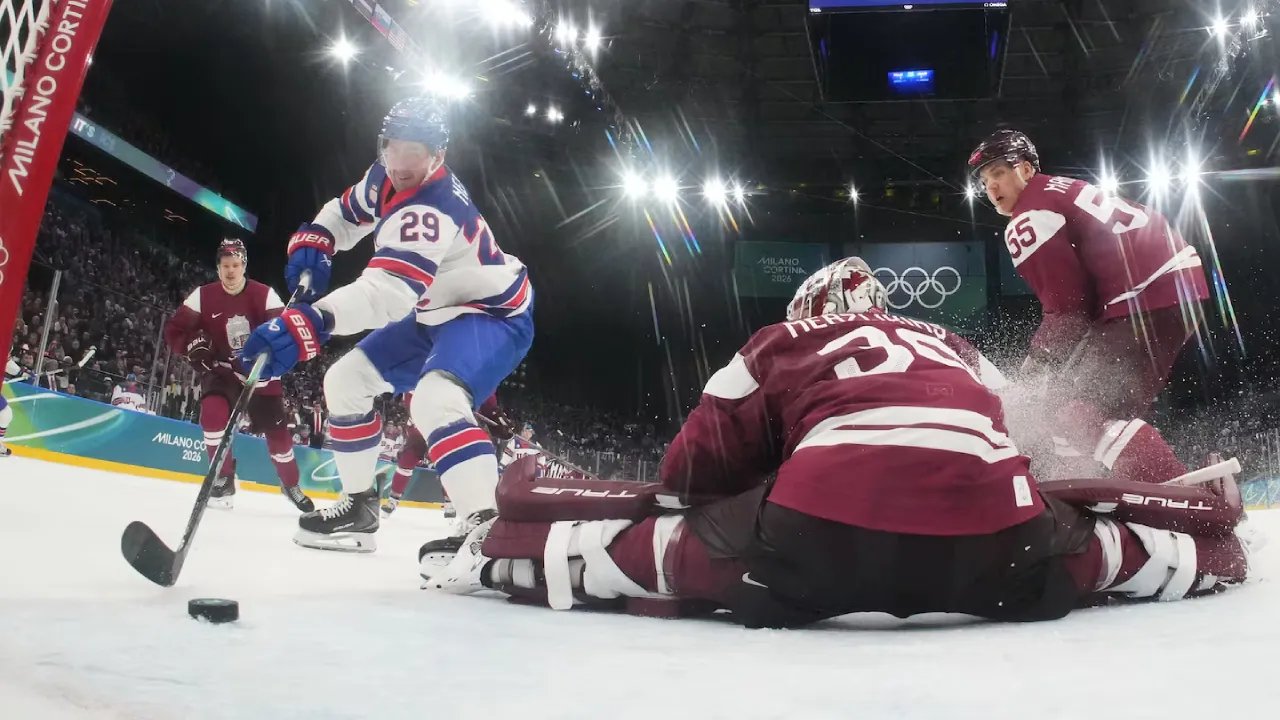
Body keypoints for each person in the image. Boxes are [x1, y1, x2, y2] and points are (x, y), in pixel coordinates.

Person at [424, 258, 1251, 628]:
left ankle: (509, 558)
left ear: (810, 309)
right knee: (1089, 546)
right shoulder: (952, 345)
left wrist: (761, 478)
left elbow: (689, 472)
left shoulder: (782, 340)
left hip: (817, 536)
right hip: (1001, 546)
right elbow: (1025, 437)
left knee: (673, 540)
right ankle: (1196, 552)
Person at [241, 95, 533, 553]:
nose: (399, 163)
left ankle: (487, 533)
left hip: (489, 313)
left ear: (438, 156)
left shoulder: (430, 208)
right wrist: (320, 236)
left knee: (435, 399)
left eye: (413, 152)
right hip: (434, 309)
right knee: (345, 381)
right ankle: (360, 509)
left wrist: (314, 319)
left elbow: (387, 294)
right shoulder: (387, 173)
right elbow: (347, 212)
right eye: (392, 147)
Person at [968, 129, 1210, 484]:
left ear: (1026, 169)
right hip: (1168, 289)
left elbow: (1069, 312)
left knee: (1075, 411)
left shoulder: (1028, 216)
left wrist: (1031, 372)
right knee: (1089, 409)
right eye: (985, 181)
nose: (991, 187)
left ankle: (1179, 496)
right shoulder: (1062, 189)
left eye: (999, 173)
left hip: (1143, 297)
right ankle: (1092, 487)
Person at [163, 239, 314, 512]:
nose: (230, 271)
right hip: (222, 371)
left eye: (235, 265)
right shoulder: (202, 296)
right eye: (225, 266)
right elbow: (174, 330)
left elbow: (287, 335)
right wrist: (190, 347)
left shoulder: (265, 295)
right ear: (218, 268)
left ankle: (290, 483)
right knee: (212, 416)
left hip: (261, 374)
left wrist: (275, 352)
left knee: (279, 438)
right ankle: (223, 479)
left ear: (244, 266)